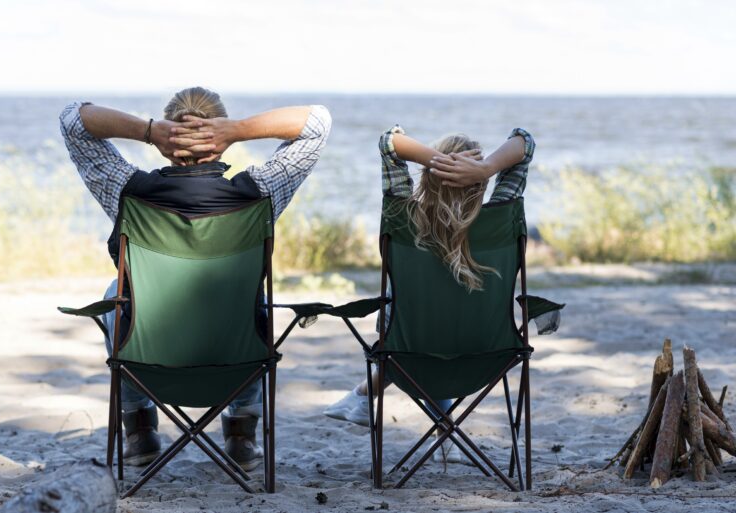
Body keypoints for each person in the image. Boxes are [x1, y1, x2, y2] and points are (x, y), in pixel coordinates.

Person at [60, 87, 331, 470]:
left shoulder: (128, 193)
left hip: (148, 365)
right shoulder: (260, 194)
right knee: (255, 299)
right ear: (220, 142)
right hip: (234, 366)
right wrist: (236, 129)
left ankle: (140, 433)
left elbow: (73, 119)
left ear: (167, 141)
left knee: (116, 292)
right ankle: (241, 433)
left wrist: (149, 130)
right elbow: (318, 122)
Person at [323, 124, 534, 464]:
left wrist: (438, 161)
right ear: (482, 186)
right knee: (442, 323)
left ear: (425, 177)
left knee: (407, 322)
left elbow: (388, 142)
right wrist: (485, 167)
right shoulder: (499, 217)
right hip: (486, 356)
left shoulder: (405, 219)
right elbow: (526, 141)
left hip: (409, 357)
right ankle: (438, 426)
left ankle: (364, 395)